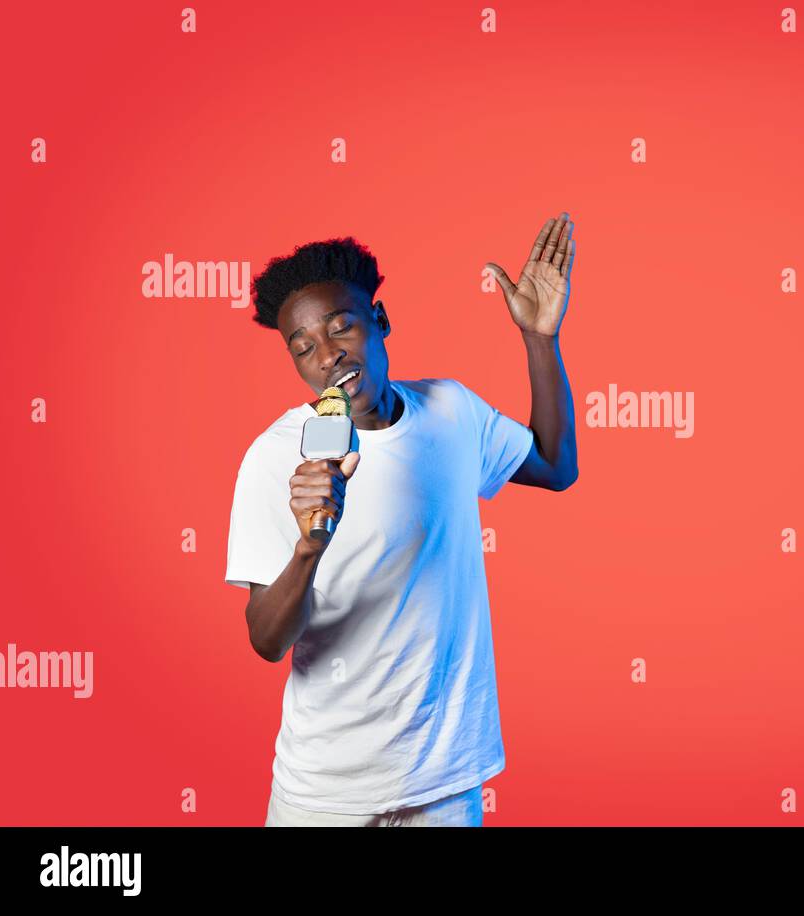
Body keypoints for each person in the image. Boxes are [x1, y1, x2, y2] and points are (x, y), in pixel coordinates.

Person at [224, 214, 578, 826]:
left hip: (444, 783)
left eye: (342, 328)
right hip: (326, 794)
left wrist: (539, 340)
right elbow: (265, 640)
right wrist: (310, 546)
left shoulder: (451, 410)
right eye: (303, 347)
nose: (328, 356)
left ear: (381, 322)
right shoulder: (276, 456)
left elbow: (555, 464)